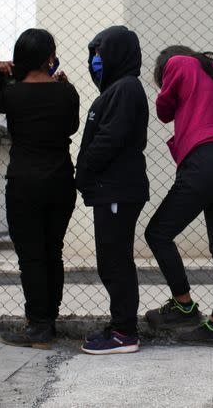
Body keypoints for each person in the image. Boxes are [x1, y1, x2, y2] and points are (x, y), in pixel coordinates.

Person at [144, 46, 213, 348]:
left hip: (203, 160)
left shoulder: (178, 63)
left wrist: (168, 87)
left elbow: (163, 110)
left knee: (158, 233)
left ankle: (184, 306)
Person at [0, 29, 79, 350]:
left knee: (31, 257)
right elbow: (71, 127)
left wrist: (4, 73)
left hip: (24, 183)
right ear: (50, 57)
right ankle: (49, 321)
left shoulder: (12, 94)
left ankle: (38, 325)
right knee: (51, 252)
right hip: (59, 181)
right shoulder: (67, 92)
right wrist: (61, 83)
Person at [77, 26, 150, 355]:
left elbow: (109, 139)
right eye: (92, 54)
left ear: (117, 53)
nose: (94, 60)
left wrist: (84, 170)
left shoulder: (125, 89)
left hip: (118, 189)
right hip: (111, 190)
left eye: (100, 53)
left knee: (115, 261)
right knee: (112, 260)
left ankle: (124, 332)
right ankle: (121, 324)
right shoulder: (116, 90)